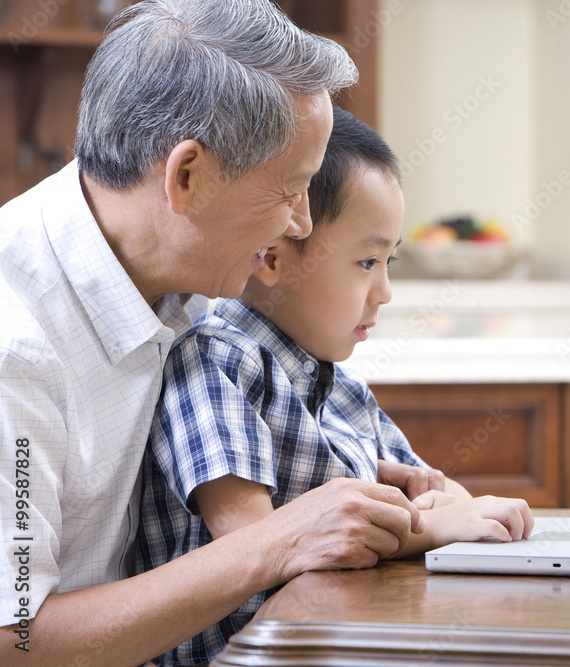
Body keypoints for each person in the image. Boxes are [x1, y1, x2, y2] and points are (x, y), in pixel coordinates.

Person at [0, 1, 438, 663]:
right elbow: (16, 639)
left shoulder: (180, 268)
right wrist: (275, 542)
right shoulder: (17, 346)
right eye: (291, 189)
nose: (298, 223)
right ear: (187, 177)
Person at [136, 107, 534, 665]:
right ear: (271, 255)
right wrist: (430, 526)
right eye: (367, 261)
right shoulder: (214, 362)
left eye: (389, 262)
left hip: (336, 638)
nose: (385, 291)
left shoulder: (340, 386)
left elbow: (445, 501)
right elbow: (251, 541)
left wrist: (447, 511)